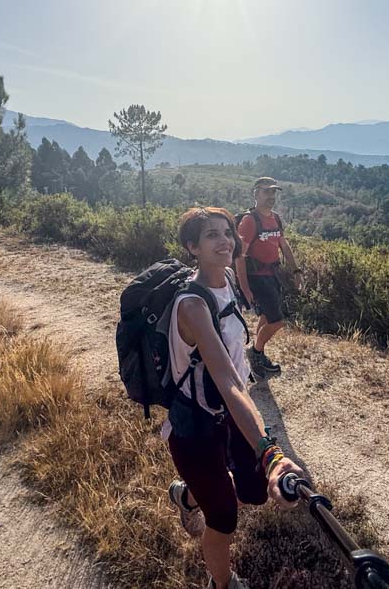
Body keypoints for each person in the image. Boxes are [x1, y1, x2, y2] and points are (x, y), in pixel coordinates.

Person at [165, 207, 304, 589]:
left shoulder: (226, 277)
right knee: (224, 515)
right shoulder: (191, 306)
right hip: (194, 427)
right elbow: (228, 383)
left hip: (231, 415)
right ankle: (223, 583)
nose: (224, 240)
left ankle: (189, 495)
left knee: (253, 492)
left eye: (227, 232)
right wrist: (271, 451)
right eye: (211, 235)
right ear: (192, 246)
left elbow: (235, 374)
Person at [235, 177, 303, 377]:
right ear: (256, 194)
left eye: (273, 192)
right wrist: (245, 288)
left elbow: (284, 245)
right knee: (278, 320)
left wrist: (296, 270)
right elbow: (240, 257)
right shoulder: (249, 221)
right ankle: (255, 352)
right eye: (266, 192)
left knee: (266, 316)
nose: (271, 196)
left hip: (273, 275)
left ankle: (259, 353)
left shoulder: (275, 218)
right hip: (257, 278)